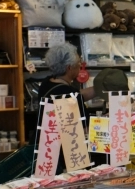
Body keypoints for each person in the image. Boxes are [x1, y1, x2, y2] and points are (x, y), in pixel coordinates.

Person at [34, 43, 95, 174]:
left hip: (49, 153)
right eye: (78, 63)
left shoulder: (47, 83)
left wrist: (100, 88)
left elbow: (75, 95)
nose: (81, 65)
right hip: (70, 158)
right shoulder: (69, 94)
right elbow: (84, 130)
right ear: (69, 67)